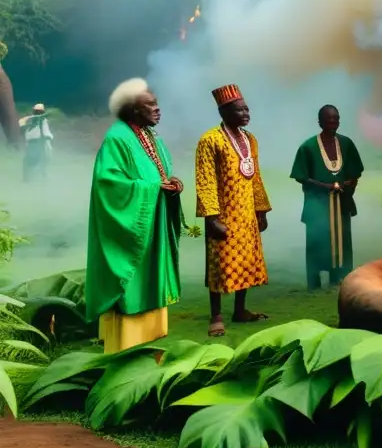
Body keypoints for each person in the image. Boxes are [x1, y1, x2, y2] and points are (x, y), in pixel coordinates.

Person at [85, 78, 184, 353]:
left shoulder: (150, 136)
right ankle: (126, 346)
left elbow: (159, 174)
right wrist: (152, 188)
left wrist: (171, 184)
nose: (157, 109)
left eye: (156, 103)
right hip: (132, 230)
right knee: (132, 284)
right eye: (150, 104)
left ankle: (150, 343)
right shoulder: (117, 138)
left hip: (152, 224)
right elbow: (108, 184)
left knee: (151, 281)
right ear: (132, 109)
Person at [195, 84, 272, 337]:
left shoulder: (251, 140)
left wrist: (261, 211)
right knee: (220, 264)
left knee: (246, 263)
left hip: (247, 214)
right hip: (224, 215)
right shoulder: (210, 140)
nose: (246, 113)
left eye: (247, 109)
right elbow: (205, 180)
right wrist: (211, 218)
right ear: (224, 112)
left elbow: (256, 177)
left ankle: (240, 310)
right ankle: (216, 315)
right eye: (239, 110)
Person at [290, 104, 365, 290]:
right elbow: (301, 177)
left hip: (342, 203)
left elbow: (356, 173)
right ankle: (314, 282)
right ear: (319, 121)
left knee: (343, 240)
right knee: (318, 241)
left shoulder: (346, 144)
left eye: (336, 118)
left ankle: (340, 278)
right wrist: (326, 187)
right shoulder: (308, 147)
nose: (333, 122)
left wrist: (349, 185)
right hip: (317, 205)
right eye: (329, 118)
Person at [20, 103, 53, 182]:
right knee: (27, 162)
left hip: (40, 143)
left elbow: (46, 134)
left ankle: (41, 179)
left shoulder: (43, 121)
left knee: (41, 162)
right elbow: (21, 126)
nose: (38, 113)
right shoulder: (29, 121)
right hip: (32, 144)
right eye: (36, 111)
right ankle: (27, 179)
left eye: (39, 112)